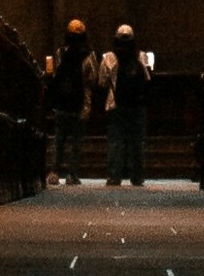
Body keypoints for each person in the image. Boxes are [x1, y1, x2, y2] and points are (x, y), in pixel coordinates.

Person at [102, 20, 155, 186]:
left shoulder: (109, 58)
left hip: (115, 104)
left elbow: (102, 82)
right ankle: (137, 175)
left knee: (116, 141)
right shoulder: (141, 56)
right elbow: (147, 79)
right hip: (137, 105)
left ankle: (114, 175)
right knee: (137, 141)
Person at [45, 19, 93, 184]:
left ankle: (54, 171)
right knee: (76, 142)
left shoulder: (60, 53)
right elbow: (92, 78)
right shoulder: (89, 55)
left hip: (62, 102)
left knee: (59, 140)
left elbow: (54, 75)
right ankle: (72, 175)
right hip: (80, 103)